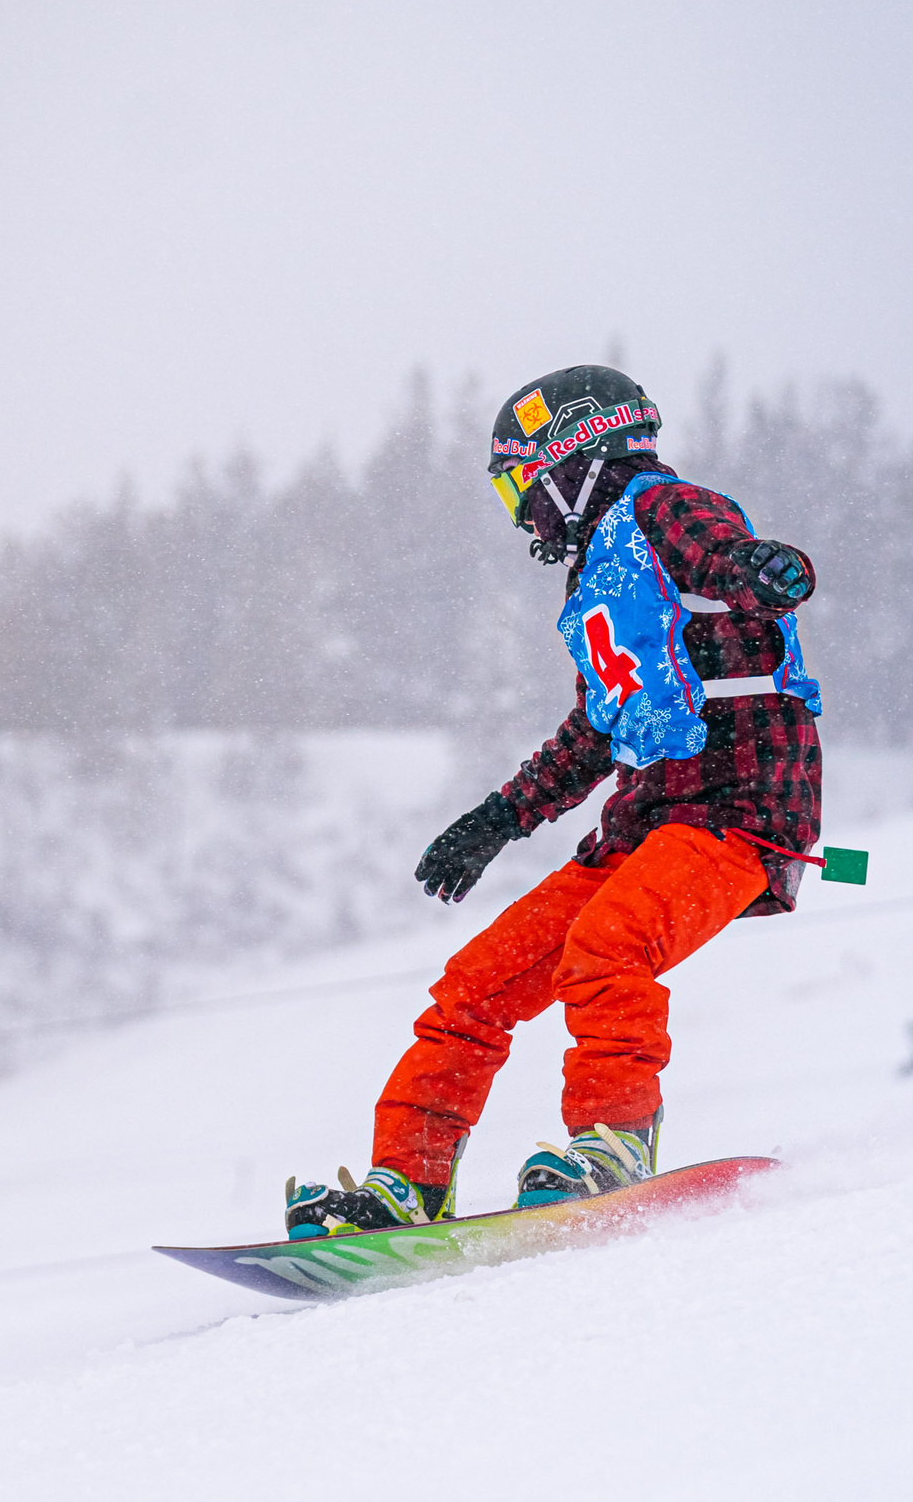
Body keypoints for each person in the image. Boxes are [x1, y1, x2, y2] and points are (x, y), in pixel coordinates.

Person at [285, 366, 822, 1238]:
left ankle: (615, 1139)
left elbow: (724, 560)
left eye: (524, 488)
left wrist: (764, 568)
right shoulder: (595, 579)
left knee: (607, 948)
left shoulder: (667, 512)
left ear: (574, 458)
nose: (525, 516)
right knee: (475, 987)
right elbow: (595, 732)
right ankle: (405, 1183)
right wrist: (496, 819)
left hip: (740, 810)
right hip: (645, 822)